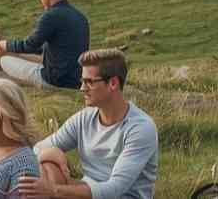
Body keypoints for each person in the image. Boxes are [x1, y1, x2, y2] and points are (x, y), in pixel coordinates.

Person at [17, 49, 158, 199]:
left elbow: (115, 188)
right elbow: (37, 148)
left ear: (113, 83)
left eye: (89, 82)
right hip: (88, 191)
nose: (82, 88)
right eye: (82, 81)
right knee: (48, 167)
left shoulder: (140, 128)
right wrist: (51, 153)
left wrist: (54, 190)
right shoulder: (85, 118)